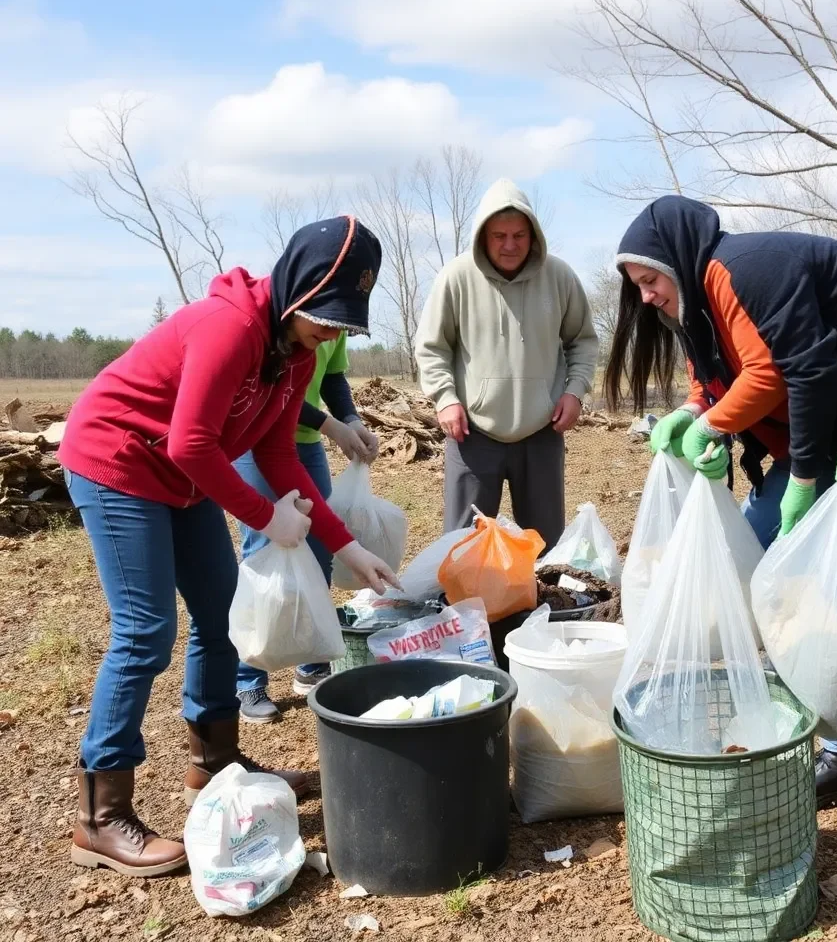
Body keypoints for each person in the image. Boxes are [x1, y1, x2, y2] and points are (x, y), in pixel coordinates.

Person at [605, 195, 837, 872]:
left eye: (650, 279)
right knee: (769, 577)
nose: (648, 295)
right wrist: (693, 412)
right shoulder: (698, 305)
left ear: (676, 255)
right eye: (637, 286)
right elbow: (725, 377)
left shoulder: (746, 267)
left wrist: (803, 480)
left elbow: (799, 369)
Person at [58, 215, 400, 878]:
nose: (330, 332)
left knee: (221, 621)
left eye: (342, 323)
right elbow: (190, 442)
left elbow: (276, 450)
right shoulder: (231, 326)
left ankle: (215, 766)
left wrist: (347, 547)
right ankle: (99, 818)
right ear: (295, 289)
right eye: (324, 316)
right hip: (118, 464)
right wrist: (268, 521)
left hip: (180, 481)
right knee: (145, 631)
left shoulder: (295, 353)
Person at [415, 178, 598, 552]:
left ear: (533, 235)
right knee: (463, 546)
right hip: (473, 432)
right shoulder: (456, 278)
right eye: (499, 235)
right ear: (483, 236)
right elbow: (431, 347)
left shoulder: (560, 277)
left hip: (542, 429)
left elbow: (582, 340)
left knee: (546, 547)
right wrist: (445, 398)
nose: (510, 245)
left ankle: (540, 609)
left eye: (519, 235)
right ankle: (466, 611)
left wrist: (575, 391)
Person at [234, 335, 379, 723]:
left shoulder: (337, 325)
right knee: (264, 551)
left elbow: (332, 377)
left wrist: (351, 419)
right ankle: (248, 677)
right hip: (259, 440)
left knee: (319, 546)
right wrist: (332, 425)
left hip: (306, 444)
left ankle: (312, 662)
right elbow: (276, 391)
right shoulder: (287, 324)